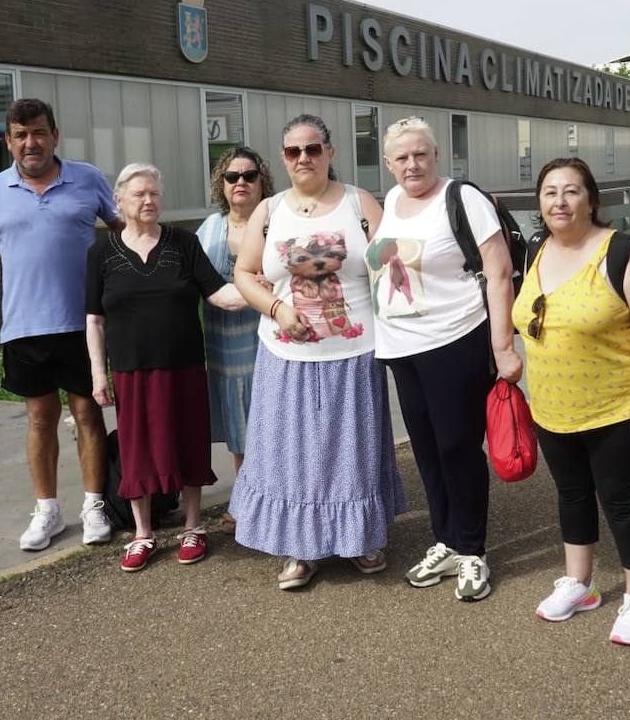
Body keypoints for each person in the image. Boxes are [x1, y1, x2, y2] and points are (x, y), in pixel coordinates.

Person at [230, 114, 406, 590]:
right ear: (284, 158)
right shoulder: (268, 211)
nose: (303, 158)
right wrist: (276, 308)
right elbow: (244, 273)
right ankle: (299, 549)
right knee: (291, 455)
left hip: (353, 352)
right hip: (285, 357)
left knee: (353, 451)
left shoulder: (359, 202)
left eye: (312, 149)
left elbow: (395, 267)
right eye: (293, 152)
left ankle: (361, 538)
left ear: (329, 152)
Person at [512, 157, 630, 645]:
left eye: (572, 191)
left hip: (612, 407)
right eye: (550, 192)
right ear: (540, 203)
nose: (560, 201)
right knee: (571, 494)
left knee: (619, 499)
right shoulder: (536, 249)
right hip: (552, 405)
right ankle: (579, 583)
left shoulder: (618, 251)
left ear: (591, 199)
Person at [367, 117, 520, 603]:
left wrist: (503, 347)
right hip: (402, 347)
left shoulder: (463, 199)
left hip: (456, 339)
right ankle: (446, 540)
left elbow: (499, 274)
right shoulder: (390, 202)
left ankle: (472, 548)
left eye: (421, 154)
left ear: (437, 156)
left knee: (458, 446)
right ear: (389, 163)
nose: (412, 165)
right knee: (428, 449)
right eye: (402, 157)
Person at [0, 98, 121, 551]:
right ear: (10, 141)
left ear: (55, 136)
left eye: (38, 132)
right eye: (20, 134)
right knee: (39, 419)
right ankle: (47, 510)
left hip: (82, 324)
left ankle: (94, 505)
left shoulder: (88, 178)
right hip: (23, 327)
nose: (30, 142)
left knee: (87, 413)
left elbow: (122, 234)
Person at [85, 163, 248, 572]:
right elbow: (94, 319)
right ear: (118, 202)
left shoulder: (182, 242)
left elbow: (218, 293)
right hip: (131, 370)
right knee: (137, 451)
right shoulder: (101, 252)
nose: (148, 200)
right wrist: (98, 374)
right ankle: (142, 533)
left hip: (185, 366)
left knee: (187, 443)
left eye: (154, 194)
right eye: (139, 194)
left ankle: (194, 525)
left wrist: (265, 292)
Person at [195, 147, 275, 534]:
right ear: (221, 184)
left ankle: (275, 496)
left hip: (268, 339)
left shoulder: (275, 221)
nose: (240, 182)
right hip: (224, 346)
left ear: (262, 182)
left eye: (249, 176)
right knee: (238, 424)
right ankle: (245, 496)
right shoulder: (208, 228)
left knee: (272, 418)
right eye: (231, 176)